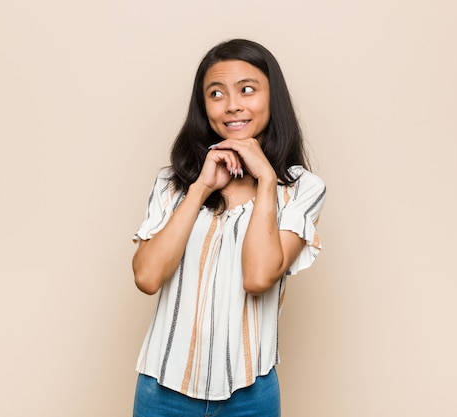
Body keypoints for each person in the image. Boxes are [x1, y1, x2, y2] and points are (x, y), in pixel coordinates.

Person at [131, 39, 326, 417]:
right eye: (216, 93)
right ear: (204, 108)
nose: (233, 104)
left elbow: (257, 277)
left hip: (251, 395)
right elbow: (148, 277)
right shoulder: (173, 183)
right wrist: (201, 186)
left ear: (273, 98)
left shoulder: (303, 189)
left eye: (247, 90)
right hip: (162, 392)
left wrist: (267, 180)